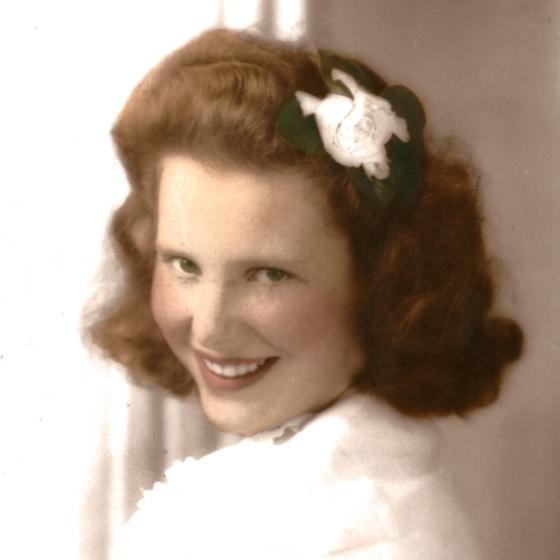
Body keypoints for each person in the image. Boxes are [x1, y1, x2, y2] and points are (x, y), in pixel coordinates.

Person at [87, 27, 523, 559]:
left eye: (268, 274)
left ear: (382, 283)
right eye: (184, 265)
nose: (209, 326)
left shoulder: (353, 534)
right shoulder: (316, 482)